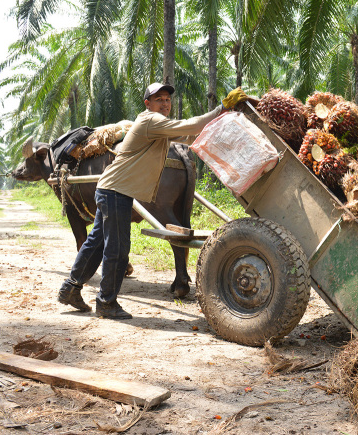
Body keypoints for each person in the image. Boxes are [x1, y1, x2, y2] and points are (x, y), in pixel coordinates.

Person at [57, 83, 247, 319]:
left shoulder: (157, 127)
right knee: (117, 249)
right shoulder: (150, 121)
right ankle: (106, 302)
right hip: (115, 192)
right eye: (159, 100)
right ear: (148, 104)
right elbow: (191, 125)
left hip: (111, 191)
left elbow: (189, 135)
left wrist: (223, 119)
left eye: (167, 100)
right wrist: (221, 107)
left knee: (96, 245)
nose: (165, 104)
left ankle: (70, 289)